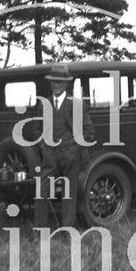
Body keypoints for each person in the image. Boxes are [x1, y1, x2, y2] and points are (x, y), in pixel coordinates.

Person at [33, 65, 95, 228]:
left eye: (60, 82)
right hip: (49, 156)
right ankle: (40, 229)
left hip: (70, 156)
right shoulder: (44, 104)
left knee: (69, 194)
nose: (56, 85)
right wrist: (43, 147)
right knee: (41, 191)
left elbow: (88, 132)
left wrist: (74, 150)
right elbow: (38, 129)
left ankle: (67, 228)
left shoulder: (76, 105)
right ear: (51, 83)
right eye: (54, 82)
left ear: (66, 84)